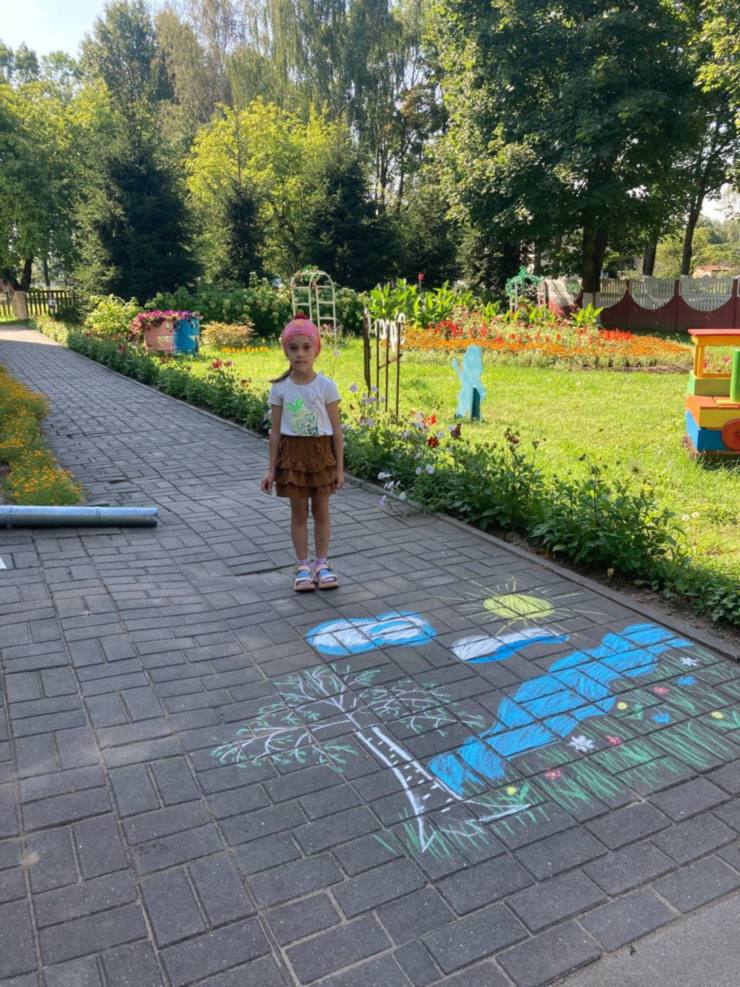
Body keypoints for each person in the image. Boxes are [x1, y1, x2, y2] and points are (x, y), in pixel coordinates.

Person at [261, 313, 344, 591]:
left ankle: (322, 563)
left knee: (321, 511)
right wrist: (271, 470)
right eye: (293, 348)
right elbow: (275, 433)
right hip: (292, 456)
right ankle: (302, 566)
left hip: (321, 456)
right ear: (285, 351)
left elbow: (336, 431)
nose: (300, 354)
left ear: (316, 349)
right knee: (298, 513)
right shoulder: (280, 388)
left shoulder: (326, 386)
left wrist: (340, 469)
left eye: (306, 347)